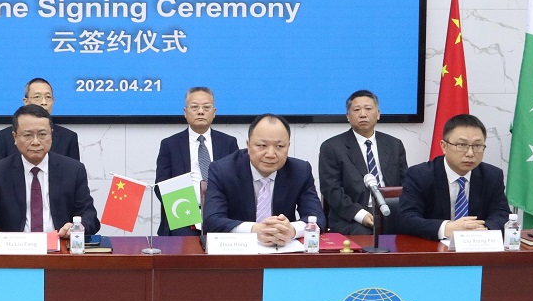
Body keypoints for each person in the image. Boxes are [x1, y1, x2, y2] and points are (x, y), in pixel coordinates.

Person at [0, 104, 98, 245]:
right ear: (15, 137)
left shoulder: (73, 170)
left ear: (51, 135)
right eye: (28, 135)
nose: (36, 142)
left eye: (42, 134)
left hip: (60, 248)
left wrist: (77, 227)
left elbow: (89, 215)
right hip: (15, 249)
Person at [203, 114, 326, 246]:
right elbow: (211, 221)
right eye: (262, 145)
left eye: (280, 146)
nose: (271, 154)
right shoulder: (223, 170)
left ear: (288, 146)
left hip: (283, 249)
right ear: (248, 145)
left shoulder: (300, 171)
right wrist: (253, 230)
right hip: (237, 250)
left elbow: (317, 219)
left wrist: (292, 229)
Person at [396, 113, 510, 241]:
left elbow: (503, 215)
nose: (470, 153)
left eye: (477, 146)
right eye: (462, 145)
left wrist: (483, 229)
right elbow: (405, 219)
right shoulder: (419, 175)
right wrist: (448, 228)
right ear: (444, 146)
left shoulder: (492, 175)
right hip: (433, 248)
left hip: (476, 246)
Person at [318, 90, 408, 235]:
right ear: (348, 116)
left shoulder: (394, 145)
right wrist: (361, 215)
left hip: (391, 213)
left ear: (378, 114)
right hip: (351, 218)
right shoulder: (332, 147)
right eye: (356, 110)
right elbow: (331, 190)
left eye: (368, 108)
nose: (363, 114)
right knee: (368, 237)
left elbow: (405, 184)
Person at [154, 86, 239, 236]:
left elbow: (237, 182)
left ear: (214, 112)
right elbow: (160, 186)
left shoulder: (228, 143)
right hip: (183, 215)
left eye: (206, 107)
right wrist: (187, 209)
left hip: (221, 213)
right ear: (185, 112)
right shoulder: (170, 144)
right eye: (194, 107)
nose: (200, 112)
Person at [0, 77, 79, 163]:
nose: (44, 102)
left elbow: (73, 170)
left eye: (48, 97)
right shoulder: (4, 136)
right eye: (37, 97)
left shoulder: (68, 137)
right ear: (26, 101)